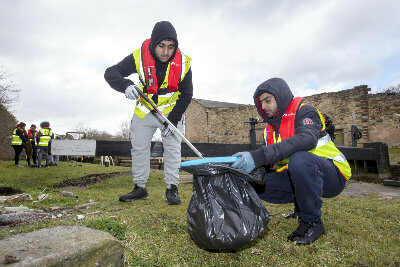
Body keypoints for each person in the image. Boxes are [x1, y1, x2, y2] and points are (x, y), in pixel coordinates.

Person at [231, 78, 351, 245]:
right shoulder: (270, 129)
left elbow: (306, 140)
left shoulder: (306, 112)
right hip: (300, 176)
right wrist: (244, 166)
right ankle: (298, 208)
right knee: (252, 179)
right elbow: (269, 161)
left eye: (268, 100)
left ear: (280, 97)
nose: (264, 106)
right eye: (261, 102)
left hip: (333, 175)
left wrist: (258, 156)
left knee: (299, 160)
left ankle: (312, 222)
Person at [104, 21, 193, 205]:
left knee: (173, 148)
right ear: (154, 44)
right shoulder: (139, 57)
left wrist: (174, 119)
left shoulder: (184, 63)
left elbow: (187, 94)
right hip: (145, 110)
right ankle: (140, 188)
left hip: (171, 112)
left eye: (171, 47)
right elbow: (111, 72)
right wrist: (125, 85)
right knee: (139, 147)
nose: (166, 52)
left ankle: (172, 189)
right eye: (161, 46)